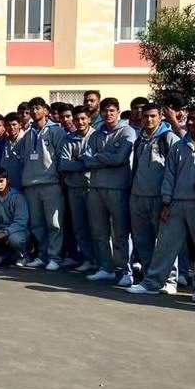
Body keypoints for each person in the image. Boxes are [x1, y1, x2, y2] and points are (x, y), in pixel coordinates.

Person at [126, 106, 195, 302]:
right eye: (190, 119)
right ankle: (152, 283)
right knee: (165, 245)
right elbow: (169, 175)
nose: (191, 122)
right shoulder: (179, 146)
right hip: (176, 203)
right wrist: (167, 201)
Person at [84, 97, 137, 285]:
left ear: (118, 112)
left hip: (118, 188)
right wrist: (107, 158)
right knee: (99, 231)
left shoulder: (127, 131)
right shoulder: (96, 134)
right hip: (96, 187)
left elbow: (120, 159)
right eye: (105, 111)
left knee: (121, 233)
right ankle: (106, 268)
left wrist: (99, 157)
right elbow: (87, 160)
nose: (108, 114)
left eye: (112, 111)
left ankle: (126, 271)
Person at [17, 97, 67, 270]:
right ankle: (42, 255)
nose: (34, 111)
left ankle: (55, 257)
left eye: (38, 108)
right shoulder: (28, 133)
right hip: (31, 184)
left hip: (51, 183)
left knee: (54, 223)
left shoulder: (56, 131)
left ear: (46, 110)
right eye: (32, 108)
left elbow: (61, 157)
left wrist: (61, 180)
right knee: (37, 224)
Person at [129, 103, 177, 279]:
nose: (149, 120)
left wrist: (168, 200)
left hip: (159, 197)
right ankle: (149, 277)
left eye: (153, 116)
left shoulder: (168, 138)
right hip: (138, 196)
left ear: (160, 117)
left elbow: (175, 170)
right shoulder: (139, 139)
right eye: (145, 116)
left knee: (165, 241)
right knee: (142, 240)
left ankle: (169, 278)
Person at [57, 105, 95, 271]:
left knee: (97, 227)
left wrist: (78, 161)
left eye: (83, 119)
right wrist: (83, 163)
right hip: (74, 188)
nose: (80, 122)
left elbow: (94, 162)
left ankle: (102, 262)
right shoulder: (68, 139)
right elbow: (64, 164)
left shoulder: (96, 136)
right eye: (77, 119)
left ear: (89, 119)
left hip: (93, 187)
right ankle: (88, 259)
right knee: (79, 226)